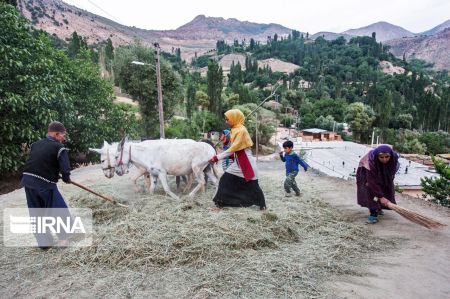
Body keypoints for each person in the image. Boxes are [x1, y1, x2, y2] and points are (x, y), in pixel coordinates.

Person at [21, 121, 72, 248]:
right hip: (44, 184)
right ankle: (63, 239)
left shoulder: (36, 144)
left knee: (36, 212)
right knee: (59, 210)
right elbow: (65, 170)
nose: (64, 138)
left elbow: (39, 161)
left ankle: (44, 243)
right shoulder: (59, 148)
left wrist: (54, 172)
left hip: (27, 181)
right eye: (62, 135)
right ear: (56, 134)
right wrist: (66, 178)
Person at [209, 109, 266, 210]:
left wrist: (216, 157)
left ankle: (263, 206)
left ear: (234, 119)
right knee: (225, 180)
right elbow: (234, 149)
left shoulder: (241, 130)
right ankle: (220, 204)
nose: (226, 121)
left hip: (246, 161)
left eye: (228, 119)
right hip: (238, 161)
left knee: (253, 186)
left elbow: (233, 149)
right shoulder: (235, 129)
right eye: (226, 119)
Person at [356, 144, 400, 224]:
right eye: (381, 157)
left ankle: (379, 207)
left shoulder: (394, 159)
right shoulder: (370, 162)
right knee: (370, 191)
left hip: (384, 171)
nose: (384, 159)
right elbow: (372, 182)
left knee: (386, 188)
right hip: (366, 173)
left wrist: (386, 181)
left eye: (387, 157)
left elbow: (391, 173)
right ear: (377, 156)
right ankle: (373, 213)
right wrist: (380, 197)